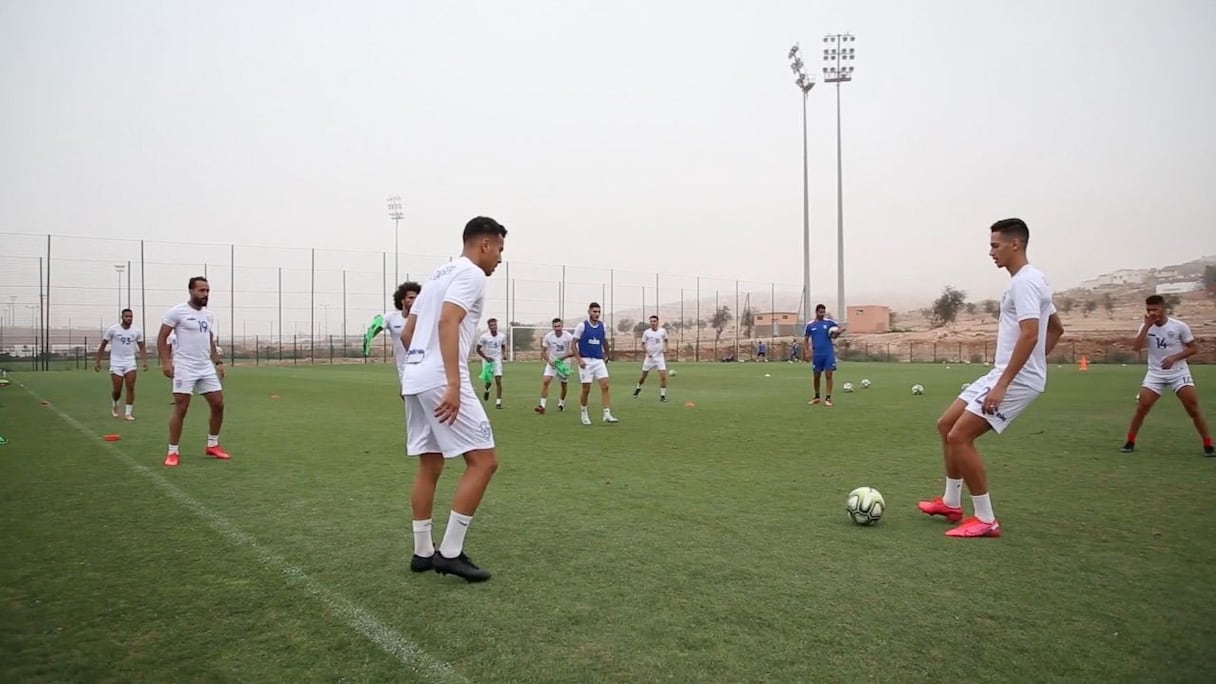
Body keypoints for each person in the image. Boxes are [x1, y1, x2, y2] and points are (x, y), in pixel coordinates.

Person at [918, 218, 1064, 537]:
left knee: (960, 437)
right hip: (1004, 373)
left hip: (1013, 379)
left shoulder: (1025, 283)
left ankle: (986, 520)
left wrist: (1005, 383)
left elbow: (1030, 335)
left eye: (995, 245)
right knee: (946, 425)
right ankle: (951, 503)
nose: (991, 252)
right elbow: (1056, 328)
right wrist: (1030, 365)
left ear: (1016, 244)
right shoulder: (1033, 279)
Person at [400, 216, 507, 582]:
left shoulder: (436, 274)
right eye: (500, 250)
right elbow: (448, 321)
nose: (500, 259)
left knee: (429, 464)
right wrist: (453, 382)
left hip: (413, 376)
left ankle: (422, 552)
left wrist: (421, 363)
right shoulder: (472, 274)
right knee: (484, 461)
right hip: (440, 378)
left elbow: (409, 331)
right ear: (485, 244)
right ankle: (450, 552)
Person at [1121, 294, 1213, 456]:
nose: (1152, 313)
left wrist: (1174, 358)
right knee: (1142, 407)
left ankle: (1208, 444)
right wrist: (1146, 327)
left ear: (1163, 308)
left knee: (1192, 407)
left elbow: (1193, 349)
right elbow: (1136, 348)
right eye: (1149, 310)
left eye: (1155, 309)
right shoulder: (1146, 327)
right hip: (1155, 373)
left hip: (1178, 372)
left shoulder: (1179, 326)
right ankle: (1129, 442)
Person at [157, 277, 229, 467]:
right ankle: (173, 451)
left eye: (207, 291)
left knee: (218, 404)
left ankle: (212, 445)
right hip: (184, 366)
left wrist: (218, 361)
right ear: (191, 291)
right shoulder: (177, 312)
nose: (205, 294)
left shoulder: (208, 315)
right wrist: (165, 362)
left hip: (205, 366)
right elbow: (162, 337)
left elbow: (210, 338)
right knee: (181, 408)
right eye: (201, 291)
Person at [364, 281, 422, 390]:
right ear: (402, 300)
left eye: (417, 298)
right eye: (411, 298)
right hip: (403, 367)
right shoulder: (391, 317)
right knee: (407, 398)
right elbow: (375, 328)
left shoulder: (424, 317)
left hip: (422, 364)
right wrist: (370, 334)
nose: (414, 301)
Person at [570, 302, 619, 425]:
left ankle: (607, 414)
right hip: (585, 361)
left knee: (605, 386)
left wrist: (607, 354)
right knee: (586, 389)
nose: (596, 314)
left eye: (598, 312)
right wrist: (579, 359)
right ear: (589, 312)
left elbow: (604, 341)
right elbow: (573, 344)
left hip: (598, 360)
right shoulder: (582, 326)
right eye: (594, 311)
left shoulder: (603, 326)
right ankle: (584, 413)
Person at [95, 308, 148, 420]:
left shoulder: (136, 331)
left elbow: (141, 346)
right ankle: (115, 403)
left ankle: (128, 413)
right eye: (126, 316)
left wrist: (144, 361)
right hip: (116, 362)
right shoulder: (113, 330)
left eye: (131, 316)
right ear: (122, 317)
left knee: (130, 387)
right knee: (117, 389)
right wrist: (98, 361)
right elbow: (103, 345)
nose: (129, 318)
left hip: (130, 362)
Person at [803, 304, 841, 406]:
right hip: (817, 354)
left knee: (829, 375)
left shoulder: (829, 323)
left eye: (823, 312)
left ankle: (828, 398)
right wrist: (807, 351)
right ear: (816, 312)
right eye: (820, 312)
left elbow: (840, 329)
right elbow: (806, 339)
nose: (822, 314)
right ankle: (816, 397)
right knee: (816, 376)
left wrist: (836, 333)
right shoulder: (810, 325)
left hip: (828, 353)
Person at [536, 317, 573, 414]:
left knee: (563, 384)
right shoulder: (548, 336)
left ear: (562, 326)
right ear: (553, 327)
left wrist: (562, 359)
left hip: (564, 363)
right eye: (555, 326)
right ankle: (542, 406)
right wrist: (549, 360)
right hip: (552, 362)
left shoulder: (568, 336)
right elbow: (543, 351)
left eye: (559, 326)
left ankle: (561, 403)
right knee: (546, 381)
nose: (557, 328)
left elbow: (573, 352)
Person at [632, 315, 669, 402]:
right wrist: (648, 353)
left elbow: (666, 340)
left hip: (659, 357)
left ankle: (662, 396)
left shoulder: (662, 331)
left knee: (663, 376)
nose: (653, 323)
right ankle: (638, 387)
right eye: (651, 321)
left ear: (657, 322)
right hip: (649, 358)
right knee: (643, 376)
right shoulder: (647, 332)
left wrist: (665, 348)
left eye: (654, 321)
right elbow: (642, 344)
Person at [476, 318, 507, 408]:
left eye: (494, 325)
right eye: (491, 325)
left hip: (497, 360)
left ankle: (498, 402)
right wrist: (485, 358)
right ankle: (487, 390)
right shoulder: (484, 337)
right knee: (488, 381)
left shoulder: (502, 336)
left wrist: (503, 355)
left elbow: (503, 346)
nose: (493, 326)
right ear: (489, 327)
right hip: (487, 361)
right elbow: (477, 349)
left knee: (498, 381)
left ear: (497, 325)